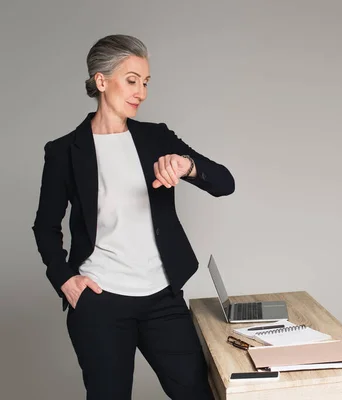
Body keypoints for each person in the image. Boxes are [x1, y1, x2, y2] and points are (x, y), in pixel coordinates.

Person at [32, 34, 234, 399]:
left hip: (162, 298)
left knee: (197, 393)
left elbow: (224, 183)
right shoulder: (65, 151)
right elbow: (45, 227)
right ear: (101, 80)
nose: (141, 91)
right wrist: (65, 280)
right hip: (99, 304)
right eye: (131, 80)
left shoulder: (157, 138)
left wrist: (186, 165)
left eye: (145, 82)